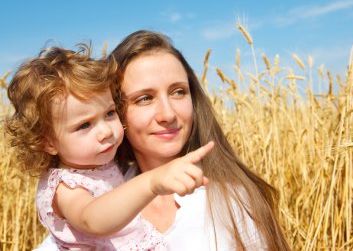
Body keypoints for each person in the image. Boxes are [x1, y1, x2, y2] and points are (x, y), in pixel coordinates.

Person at [37, 30, 291, 250]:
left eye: (178, 92)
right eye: (144, 98)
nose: (168, 114)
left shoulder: (234, 202)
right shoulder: (91, 194)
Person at [5, 44, 214, 250]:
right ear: (48, 142)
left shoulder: (99, 166)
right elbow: (92, 220)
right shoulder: (65, 187)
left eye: (110, 113)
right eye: (84, 125)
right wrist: (152, 182)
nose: (106, 131)